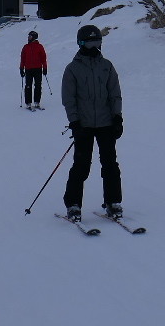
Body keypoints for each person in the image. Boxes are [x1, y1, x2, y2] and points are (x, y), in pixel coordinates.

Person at [60, 23, 122, 223]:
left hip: (105, 124)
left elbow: (115, 93)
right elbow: (69, 98)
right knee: (81, 165)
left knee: (110, 164)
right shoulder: (73, 69)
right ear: (81, 43)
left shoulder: (107, 66)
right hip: (84, 125)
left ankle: (113, 202)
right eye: (90, 42)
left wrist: (117, 117)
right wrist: (75, 122)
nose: (94, 46)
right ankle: (73, 204)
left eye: (97, 42)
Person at [19, 30, 47, 110]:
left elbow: (43, 58)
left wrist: (45, 68)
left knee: (38, 86)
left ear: (33, 37)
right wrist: (21, 68)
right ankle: (28, 103)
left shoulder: (39, 46)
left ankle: (37, 102)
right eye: (28, 36)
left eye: (30, 36)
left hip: (38, 69)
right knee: (28, 86)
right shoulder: (26, 47)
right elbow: (23, 59)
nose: (28, 38)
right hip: (28, 69)